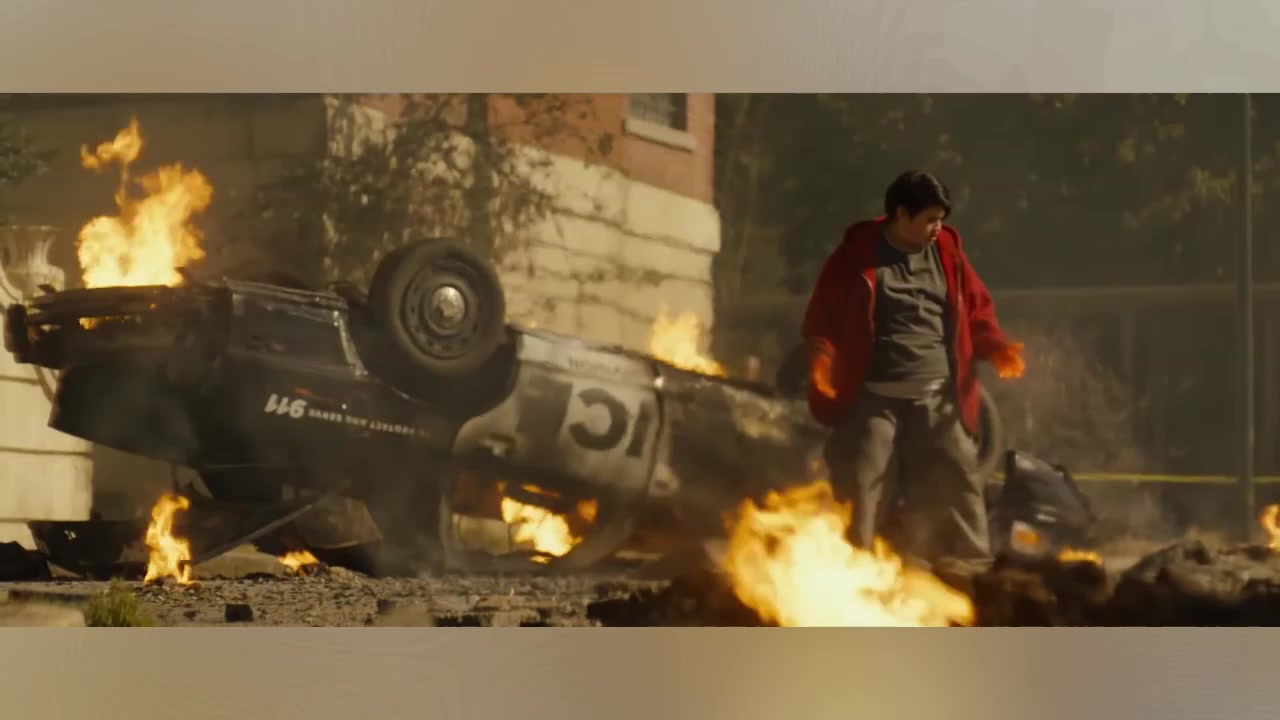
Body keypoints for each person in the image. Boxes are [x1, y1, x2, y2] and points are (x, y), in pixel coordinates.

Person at [801, 170, 1025, 568]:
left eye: (941, 219)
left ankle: (971, 566)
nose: (937, 228)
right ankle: (855, 566)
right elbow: (823, 321)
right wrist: (822, 362)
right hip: (874, 395)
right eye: (929, 219)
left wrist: (997, 347)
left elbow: (976, 311)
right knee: (863, 476)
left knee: (958, 473)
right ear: (901, 214)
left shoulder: (948, 254)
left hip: (936, 393)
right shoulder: (855, 256)